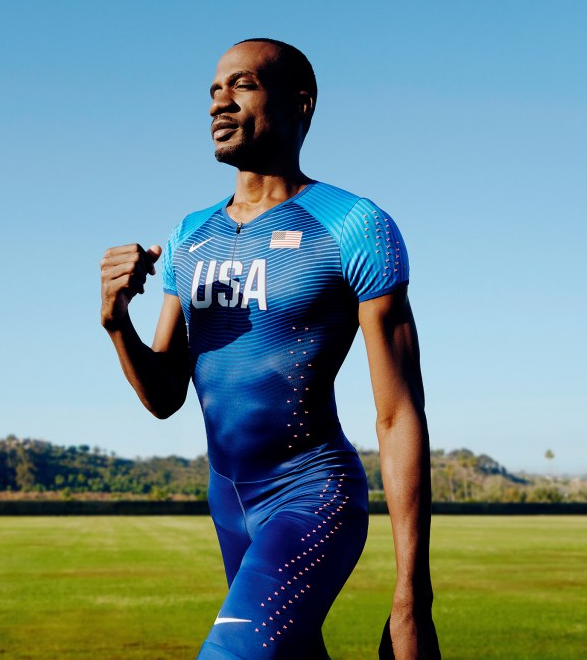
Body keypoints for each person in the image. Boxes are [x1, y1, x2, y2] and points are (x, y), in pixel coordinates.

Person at [100, 38, 440, 660]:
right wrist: (117, 321)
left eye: (242, 85)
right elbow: (164, 396)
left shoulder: (354, 225)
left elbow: (397, 416)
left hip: (310, 493)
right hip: (226, 499)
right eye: (212, 90)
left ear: (300, 104)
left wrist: (411, 594)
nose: (218, 103)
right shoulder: (188, 235)